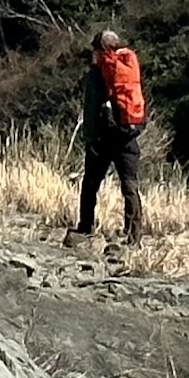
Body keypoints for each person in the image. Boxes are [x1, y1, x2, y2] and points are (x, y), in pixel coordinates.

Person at [74, 29, 149, 248]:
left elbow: (91, 106)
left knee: (90, 185)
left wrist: (90, 137)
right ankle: (134, 235)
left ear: (99, 50)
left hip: (103, 137)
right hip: (127, 135)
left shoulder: (99, 72)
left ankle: (85, 228)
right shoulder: (127, 64)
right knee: (130, 186)